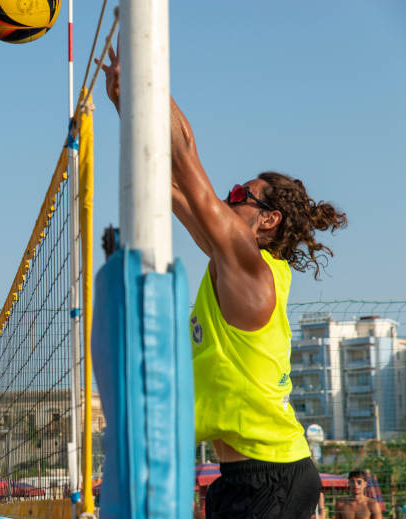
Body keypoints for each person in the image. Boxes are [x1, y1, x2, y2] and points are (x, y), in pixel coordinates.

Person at [99, 38, 346, 518]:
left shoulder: (250, 268)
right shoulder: (227, 260)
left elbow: (186, 153)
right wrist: (127, 110)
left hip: (273, 474)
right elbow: (166, 182)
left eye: (241, 193)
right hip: (243, 475)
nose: (228, 197)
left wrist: (145, 74)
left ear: (269, 219)